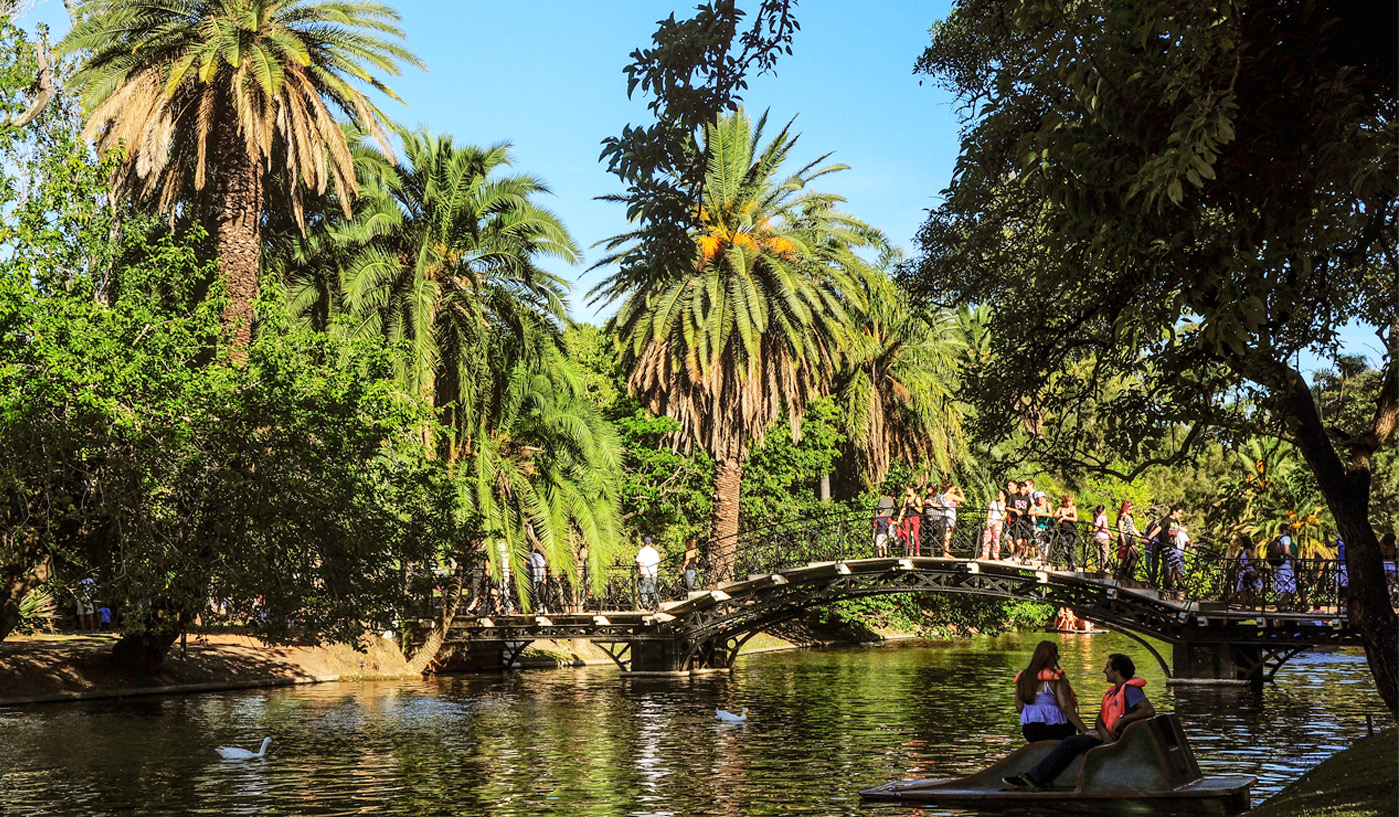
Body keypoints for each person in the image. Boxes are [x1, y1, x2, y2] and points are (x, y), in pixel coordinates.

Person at [1004, 653, 1156, 790]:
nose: (1104, 670)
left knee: (1070, 742)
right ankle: (1043, 776)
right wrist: (1102, 731)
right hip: (1107, 736)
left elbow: (1148, 711)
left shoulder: (1131, 690)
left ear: (1117, 671)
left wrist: (1123, 720)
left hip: (1120, 741)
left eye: (1108, 667)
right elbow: (1100, 718)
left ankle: (1035, 778)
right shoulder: (1113, 691)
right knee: (1077, 739)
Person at [1014, 640, 1089, 742]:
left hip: (1029, 730)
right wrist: (1086, 731)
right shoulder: (1056, 677)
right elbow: (1065, 707)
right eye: (1057, 657)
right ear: (1052, 658)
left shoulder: (1022, 677)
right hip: (1054, 728)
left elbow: (1019, 708)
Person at [1142, 505, 1184, 588]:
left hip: (1173, 546)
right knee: (1166, 565)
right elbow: (1159, 529)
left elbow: (1179, 529)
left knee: (1173, 565)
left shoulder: (1176, 522)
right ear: (1174, 512)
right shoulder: (1166, 520)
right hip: (1166, 545)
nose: (1180, 515)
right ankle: (1163, 583)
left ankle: (1170, 583)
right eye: (1179, 513)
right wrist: (1149, 538)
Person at [1269, 524, 1297, 611]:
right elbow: (1287, 552)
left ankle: (1283, 607)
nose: (1290, 532)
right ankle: (1280, 601)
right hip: (1285, 564)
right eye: (1289, 530)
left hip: (1277, 565)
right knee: (1291, 586)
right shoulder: (1286, 538)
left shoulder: (1277, 538)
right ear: (1284, 530)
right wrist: (1296, 559)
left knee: (1282, 586)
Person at [936, 482, 966, 557]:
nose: (953, 489)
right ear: (950, 488)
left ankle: (944, 552)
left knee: (944, 534)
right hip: (950, 516)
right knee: (948, 534)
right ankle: (946, 553)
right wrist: (960, 491)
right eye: (952, 487)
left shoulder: (942, 496)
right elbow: (963, 499)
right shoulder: (951, 496)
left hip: (943, 515)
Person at [1006, 480, 1033, 562]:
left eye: (1025, 490)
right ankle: (1017, 555)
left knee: (1025, 540)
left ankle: (1024, 556)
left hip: (1025, 521)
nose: (1024, 491)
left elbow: (1029, 509)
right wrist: (1015, 510)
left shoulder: (1027, 498)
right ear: (1018, 489)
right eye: (1023, 490)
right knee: (1018, 540)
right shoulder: (1013, 497)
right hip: (1016, 521)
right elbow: (1007, 507)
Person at [1114, 502, 1141, 581]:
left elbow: (1133, 528)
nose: (1131, 510)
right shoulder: (1122, 517)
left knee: (1134, 556)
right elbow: (1121, 529)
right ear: (1125, 508)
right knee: (1128, 556)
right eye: (1130, 508)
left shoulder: (1130, 516)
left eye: (1132, 508)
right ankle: (1124, 573)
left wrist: (1140, 536)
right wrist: (1123, 540)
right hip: (1125, 537)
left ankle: (1128, 573)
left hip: (1131, 538)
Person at [636, 536, 661, 610]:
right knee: (652, 589)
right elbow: (657, 563)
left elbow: (640, 562)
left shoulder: (642, 551)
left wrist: (641, 571)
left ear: (643, 543)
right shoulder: (654, 551)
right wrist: (654, 570)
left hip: (645, 573)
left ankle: (645, 604)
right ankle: (657, 603)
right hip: (653, 573)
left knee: (643, 590)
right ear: (651, 543)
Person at [1055, 495, 1079, 570]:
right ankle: (1070, 561)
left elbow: (1075, 519)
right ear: (1064, 502)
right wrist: (1061, 515)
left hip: (1071, 530)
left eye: (1071, 502)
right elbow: (1055, 515)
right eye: (1068, 502)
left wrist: (1066, 518)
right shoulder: (1061, 508)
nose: (1069, 504)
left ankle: (1072, 564)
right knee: (1060, 548)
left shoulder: (1072, 508)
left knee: (1070, 548)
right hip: (1063, 530)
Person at [982, 490, 1008, 560]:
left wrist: (998, 523)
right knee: (986, 538)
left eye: (1001, 494)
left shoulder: (1006, 505)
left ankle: (996, 555)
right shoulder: (994, 502)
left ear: (1004, 496)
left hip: (998, 523)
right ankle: (985, 554)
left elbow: (1005, 515)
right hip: (991, 521)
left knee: (996, 539)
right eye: (999, 493)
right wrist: (988, 520)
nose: (999, 495)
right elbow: (990, 511)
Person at [898, 485, 923, 556]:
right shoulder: (906, 498)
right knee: (906, 534)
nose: (906, 491)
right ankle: (910, 550)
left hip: (915, 517)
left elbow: (921, 510)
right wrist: (900, 517)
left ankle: (917, 551)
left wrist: (914, 507)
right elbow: (904, 508)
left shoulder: (917, 498)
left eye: (907, 489)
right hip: (907, 517)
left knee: (915, 535)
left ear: (912, 489)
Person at [1030, 494, 1053, 563]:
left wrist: (1040, 514)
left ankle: (1045, 558)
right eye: (1039, 499)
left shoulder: (1047, 504)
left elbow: (1051, 514)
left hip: (1047, 525)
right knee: (1039, 541)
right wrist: (1035, 512)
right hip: (1039, 525)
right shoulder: (1035, 505)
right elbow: (1030, 512)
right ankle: (1039, 556)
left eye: (1042, 498)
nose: (1041, 500)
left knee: (1046, 542)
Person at [874, 492, 897, 558]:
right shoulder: (892, 500)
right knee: (885, 545)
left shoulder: (881, 499)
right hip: (887, 522)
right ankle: (886, 555)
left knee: (879, 545)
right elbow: (896, 508)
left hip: (879, 527)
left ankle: (880, 556)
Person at [1091, 505, 1112, 572]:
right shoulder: (1103, 517)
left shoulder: (1096, 517)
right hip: (1104, 537)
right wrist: (1110, 533)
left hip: (1097, 537)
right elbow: (1105, 527)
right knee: (1105, 552)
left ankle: (1099, 568)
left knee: (1098, 553)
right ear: (1103, 510)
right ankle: (1106, 568)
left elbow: (1094, 529)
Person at [527, 548, 548, 613]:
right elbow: (543, 567)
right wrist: (544, 577)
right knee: (540, 592)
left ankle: (539, 607)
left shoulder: (529, 556)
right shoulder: (539, 556)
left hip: (533, 577)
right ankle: (541, 606)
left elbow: (526, 565)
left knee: (534, 592)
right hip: (539, 576)